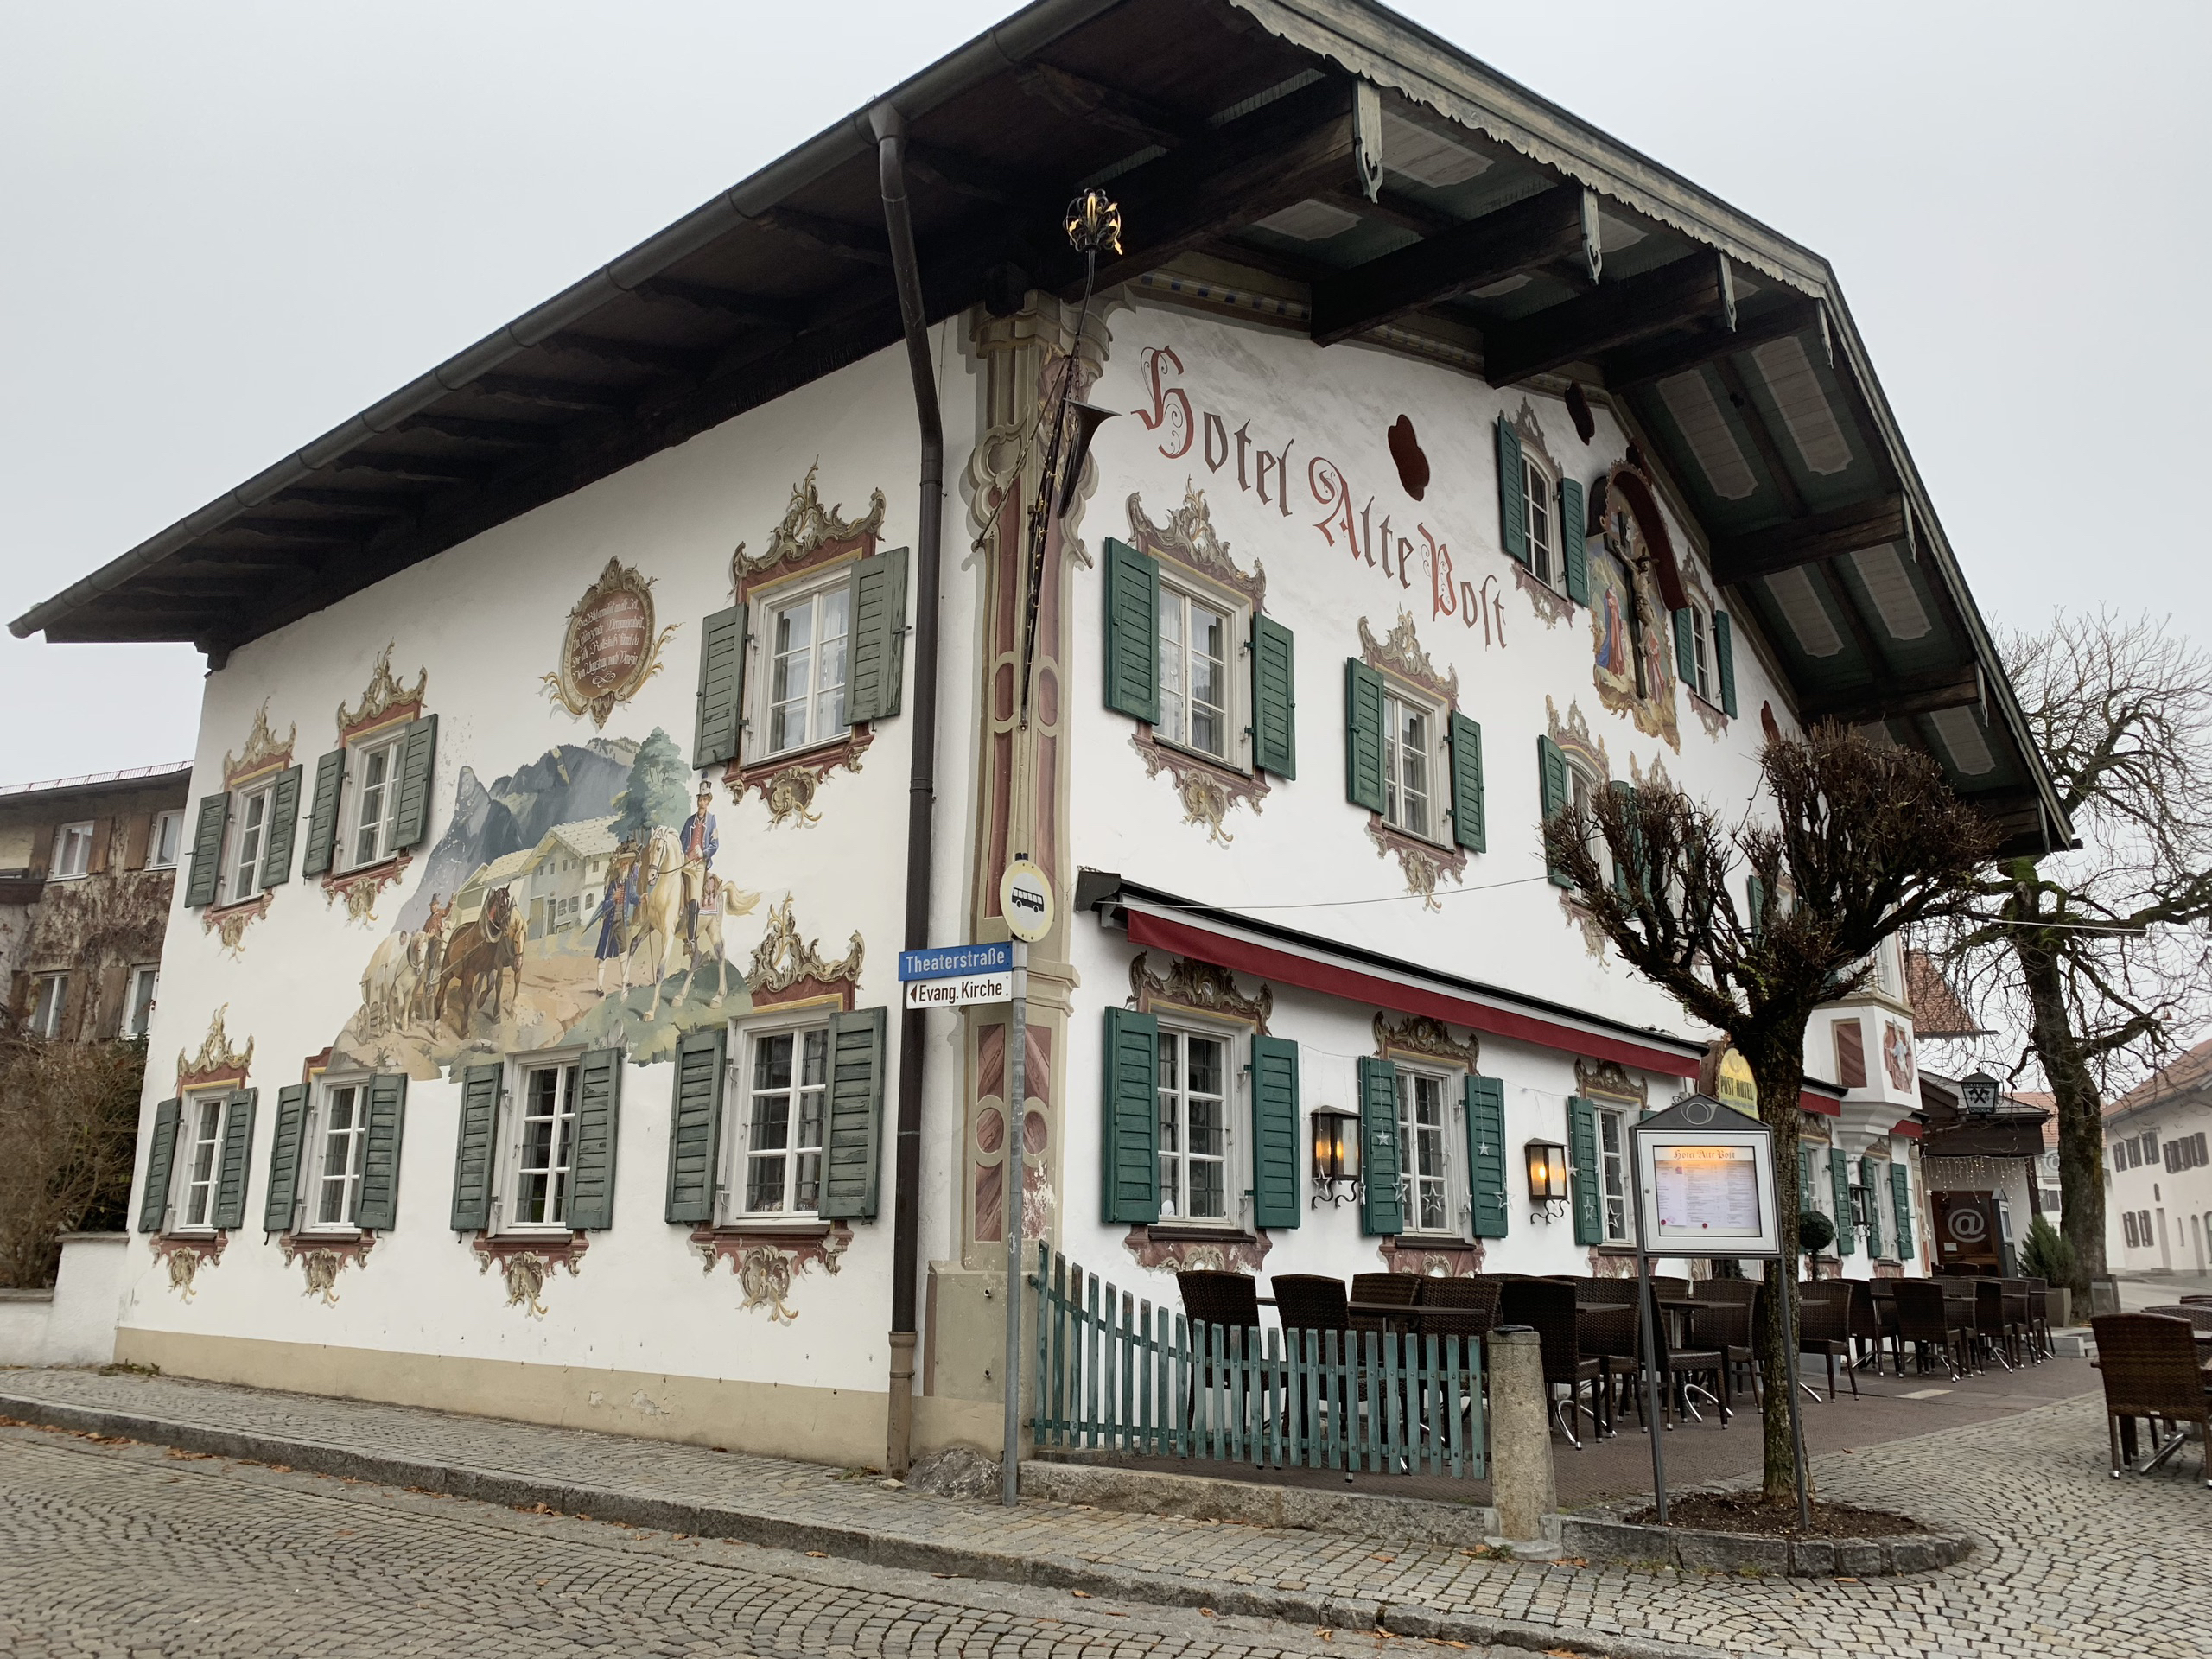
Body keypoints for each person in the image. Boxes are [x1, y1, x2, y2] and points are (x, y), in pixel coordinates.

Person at [677, 783, 720, 949]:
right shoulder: (690, 821)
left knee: (694, 897)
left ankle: (690, 940)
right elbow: (681, 841)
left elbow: (715, 844)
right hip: (686, 862)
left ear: (708, 802)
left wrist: (703, 852)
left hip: (700, 865)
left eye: (704, 799)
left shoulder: (712, 820)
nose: (701, 802)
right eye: (699, 799)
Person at [592, 844, 638, 992]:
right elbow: (605, 905)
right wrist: (613, 898)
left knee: (623, 951)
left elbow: (632, 897)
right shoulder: (613, 884)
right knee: (603, 955)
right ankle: (599, 986)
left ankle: (626, 979)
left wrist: (641, 899)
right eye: (623, 865)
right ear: (619, 868)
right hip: (610, 923)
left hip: (621, 922)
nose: (625, 868)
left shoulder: (628, 883)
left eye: (627, 865)